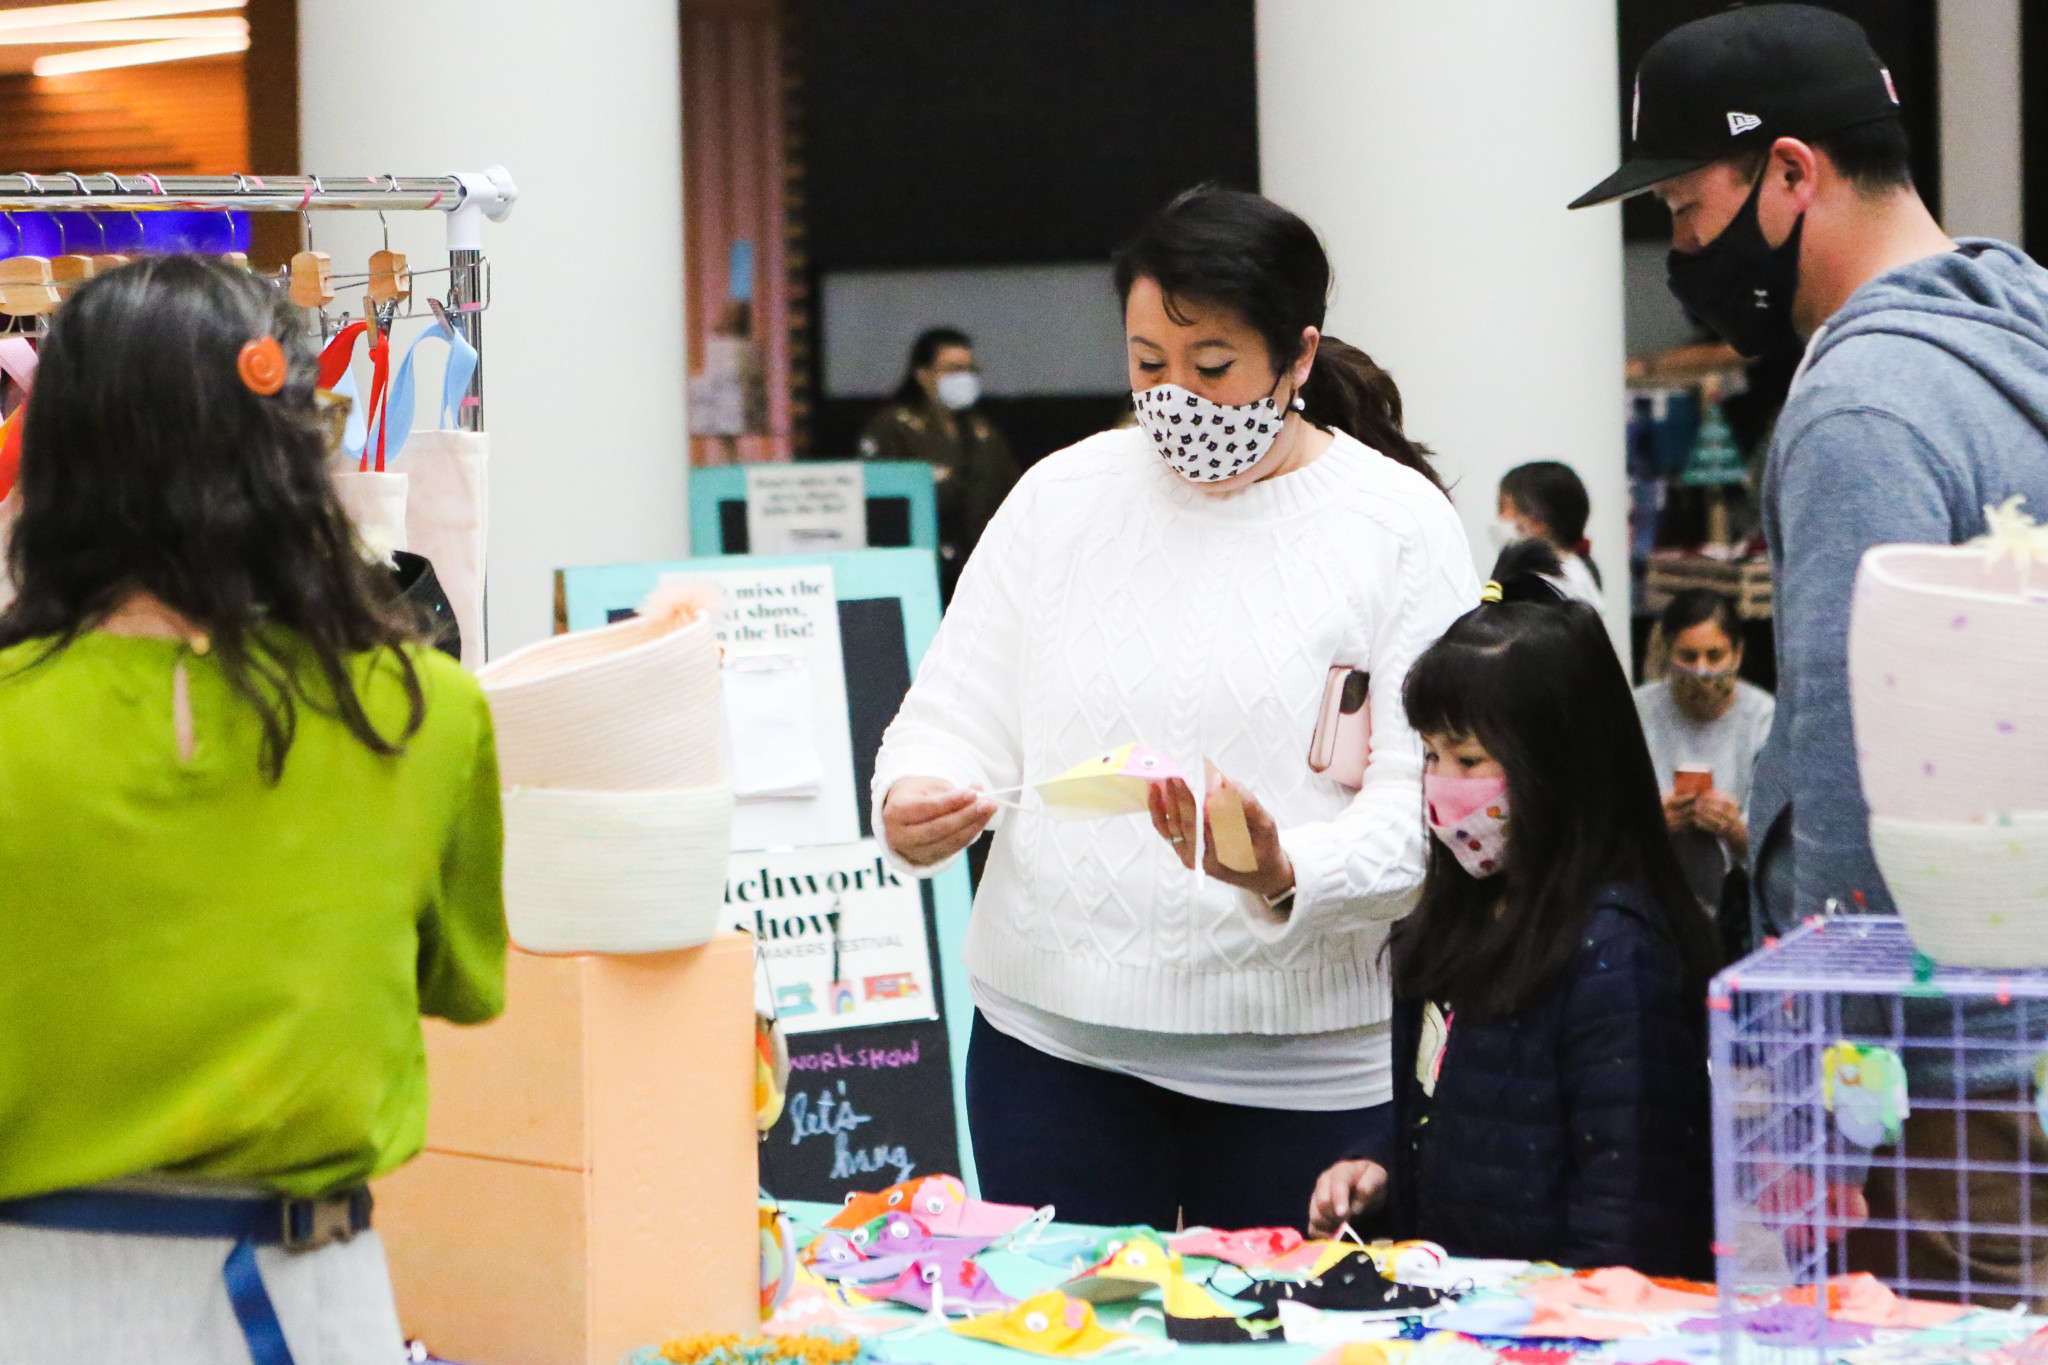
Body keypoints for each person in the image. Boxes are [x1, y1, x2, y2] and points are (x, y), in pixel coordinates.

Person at [872, 188, 1476, 1230]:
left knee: (1291, 1319)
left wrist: (1287, 869)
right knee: (1061, 1314)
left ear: (1297, 355)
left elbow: (1429, 803)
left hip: (1304, 1074)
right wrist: (916, 792)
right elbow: (955, 707)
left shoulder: (1397, 528)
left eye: (1212, 367)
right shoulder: (1060, 497)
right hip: (1050, 1045)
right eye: (1147, 363)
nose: (1175, 398)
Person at [1571, 1, 2048, 1299]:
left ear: (1790, 172)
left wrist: (1828, 1090)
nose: (1681, 249)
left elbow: (1848, 762)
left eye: (1684, 208)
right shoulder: (2019, 334)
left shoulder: (1861, 405)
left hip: (1928, 1080)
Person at [0, 257, 506, 1364]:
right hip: (303, 1296)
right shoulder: (424, 710)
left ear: (57, 455)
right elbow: (464, 981)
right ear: (294, 452)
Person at [1305, 551, 1718, 1275]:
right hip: (1461, 1307)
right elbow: (1458, 1112)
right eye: (1431, 756)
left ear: (1561, 764)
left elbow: (1629, 1218)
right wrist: (1382, 1170)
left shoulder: (1617, 954)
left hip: (1559, 1323)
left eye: (1469, 760)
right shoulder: (1460, 913)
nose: (1442, 786)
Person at [1634, 589, 1774, 931]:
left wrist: (1734, 829)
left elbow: (1775, 848)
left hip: (1737, 906)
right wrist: (1653, 825)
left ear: (1737, 654)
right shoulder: (1637, 711)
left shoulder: (1764, 717)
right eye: (1688, 655)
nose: (1701, 670)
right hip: (1652, 899)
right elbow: (1609, 831)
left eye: (1714, 656)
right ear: (1668, 653)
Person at [858, 327, 1021, 598]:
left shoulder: (983, 434)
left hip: (980, 575)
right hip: (920, 574)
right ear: (923, 375)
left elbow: (1012, 493)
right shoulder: (893, 428)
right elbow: (880, 504)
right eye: (954, 369)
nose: (964, 377)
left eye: (969, 369)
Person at [1495, 461, 1602, 609]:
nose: (1500, 519)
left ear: (1539, 520)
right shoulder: (1550, 575)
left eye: (1504, 509)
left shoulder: (1557, 581)